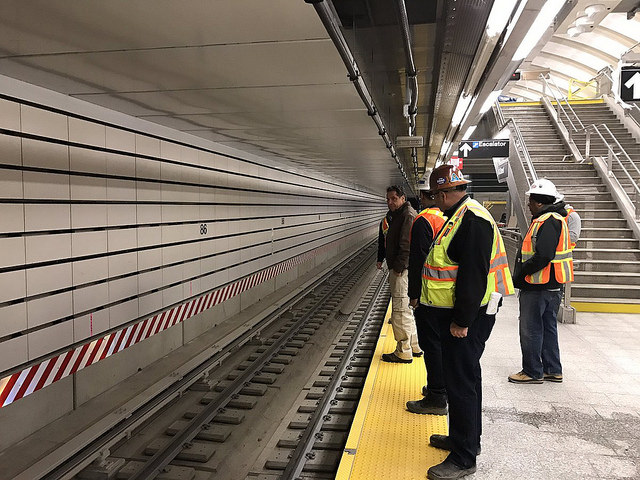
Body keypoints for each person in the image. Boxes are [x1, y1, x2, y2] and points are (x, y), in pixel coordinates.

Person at [422, 165, 514, 480]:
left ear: (445, 193)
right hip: (463, 314)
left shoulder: (471, 220)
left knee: (461, 384)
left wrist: (461, 320)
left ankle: (463, 459)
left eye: (436, 195)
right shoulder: (461, 216)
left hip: (469, 317)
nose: (436, 201)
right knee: (463, 379)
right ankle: (463, 441)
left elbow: (473, 274)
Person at [509, 178, 573, 384]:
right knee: (548, 328)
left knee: (531, 329)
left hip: (538, 285)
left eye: (530, 201)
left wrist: (521, 274)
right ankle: (552, 369)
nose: (527, 205)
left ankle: (532, 371)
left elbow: (543, 255)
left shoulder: (548, 221)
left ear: (538, 202)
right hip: (552, 285)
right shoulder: (556, 219)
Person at [405, 171, 448, 415]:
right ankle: (440, 388)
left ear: (422, 195)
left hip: (429, 294)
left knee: (431, 346)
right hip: (445, 294)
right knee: (442, 345)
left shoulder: (423, 220)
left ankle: (436, 396)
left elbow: (418, 259)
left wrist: (414, 294)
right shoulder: (446, 218)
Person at [381, 185, 422, 363]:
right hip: (404, 269)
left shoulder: (406, 215)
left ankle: (403, 350)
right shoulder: (402, 214)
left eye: (393, 199)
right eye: (388, 199)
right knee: (406, 309)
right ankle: (414, 345)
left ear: (403, 198)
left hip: (402, 271)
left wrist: (398, 268)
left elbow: (406, 245)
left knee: (399, 309)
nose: (390, 202)